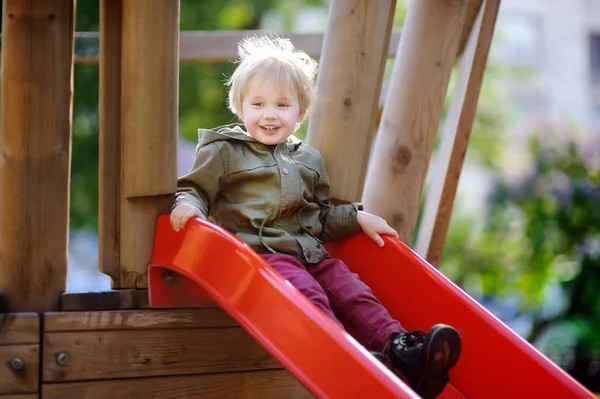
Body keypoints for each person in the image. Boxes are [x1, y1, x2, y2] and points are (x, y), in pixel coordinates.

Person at [170, 34, 461, 398]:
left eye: (282, 104)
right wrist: (190, 206)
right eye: (258, 103)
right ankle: (346, 357)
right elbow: (195, 189)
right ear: (240, 107)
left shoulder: (308, 159)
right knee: (308, 294)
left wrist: (356, 218)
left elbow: (321, 217)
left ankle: (401, 351)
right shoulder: (226, 152)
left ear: (300, 112)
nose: (270, 113)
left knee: (354, 292)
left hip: (312, 255)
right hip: (263, 257)